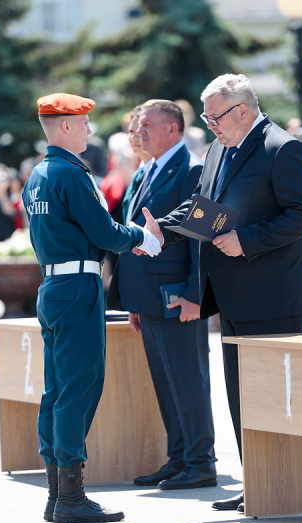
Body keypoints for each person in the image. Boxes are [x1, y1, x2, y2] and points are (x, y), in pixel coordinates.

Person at [143, 74, 302, 513]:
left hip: (272, 297)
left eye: (214, 117)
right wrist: (159, 233)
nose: (210, 126)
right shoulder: (218, 150)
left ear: (241, 110)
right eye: (206, 119)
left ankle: (285, 487)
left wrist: (248, 239)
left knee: (273, 397)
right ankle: (260, 484)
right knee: (241, 396)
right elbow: (203, 210)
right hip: (230, 294)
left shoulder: (281, 148)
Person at [22, 93, 161, 523]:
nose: (88, 130)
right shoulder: (70, 174)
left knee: (57, 390)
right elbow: (104, 232)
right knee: (79, 389)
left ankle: (56, 493)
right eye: (83, 123)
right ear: (65, 127)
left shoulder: (38, 175)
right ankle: (71, 497)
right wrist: (143, 237)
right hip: (79, 286)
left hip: (53, 285)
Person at [108, 99, 216, 490]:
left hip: (176, 294)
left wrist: (194, 293)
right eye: (138, 126)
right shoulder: (143, 172)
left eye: (149, 125)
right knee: (166, 380)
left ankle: (201, 461)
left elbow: (201, 239)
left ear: (174, 129)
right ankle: (179, 457)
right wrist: (131, 299)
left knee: (187, 378)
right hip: (147, 295)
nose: (140, 132)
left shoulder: (193, 170)